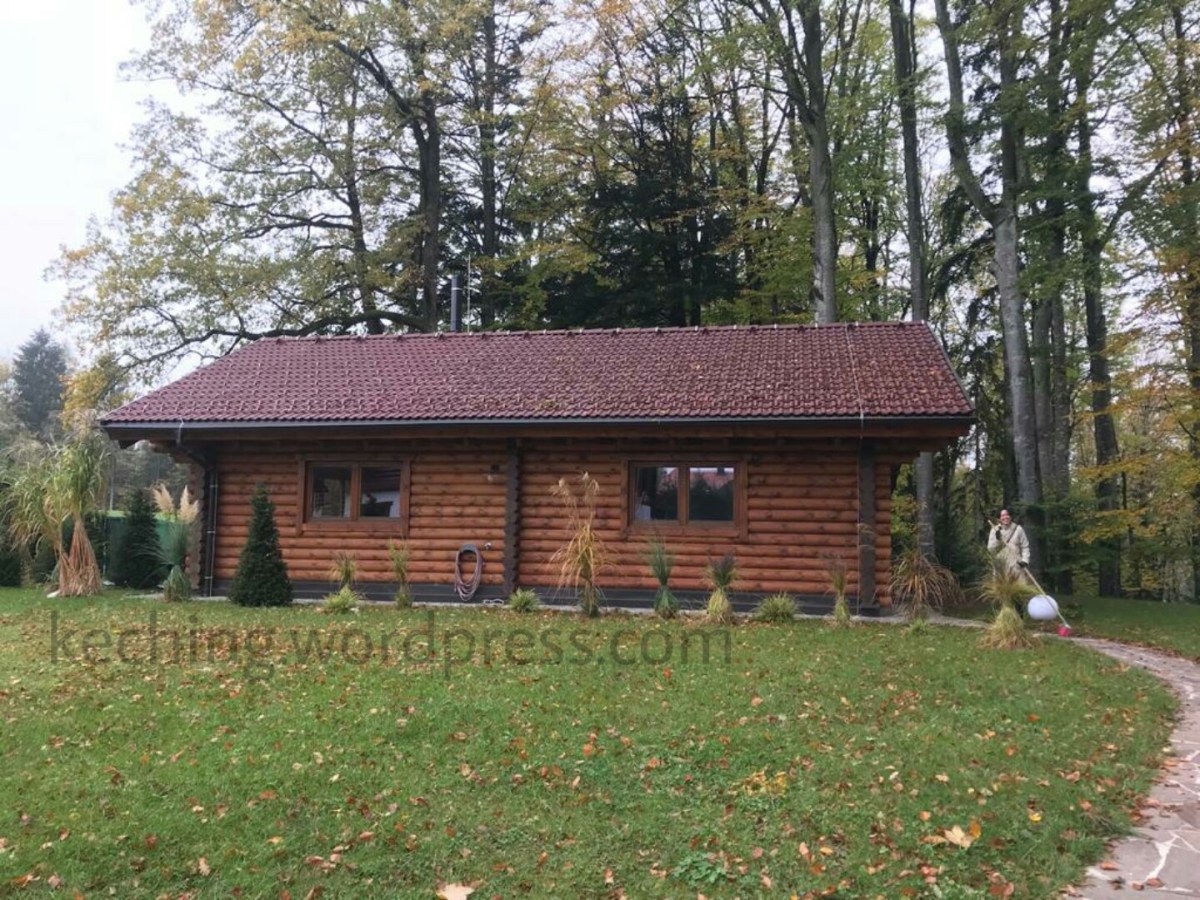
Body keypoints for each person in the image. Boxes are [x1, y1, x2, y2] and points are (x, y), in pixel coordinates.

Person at [987, 508, 1031, 581]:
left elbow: (1025, 546)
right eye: (1003, 515)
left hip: (1016, 565)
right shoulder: (994, 530)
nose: (1005, 517)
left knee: (1020, 588)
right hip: (1001, 566)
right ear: (1000, 518)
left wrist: (1025, 560)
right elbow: (991, 549)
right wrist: (997, 539)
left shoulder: (1018, 529)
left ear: (1010, 516)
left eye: (1007, 515)